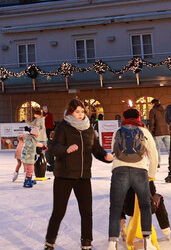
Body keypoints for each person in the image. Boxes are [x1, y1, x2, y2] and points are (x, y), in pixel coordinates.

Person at [43, 98, 114, 250]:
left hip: (83, 176)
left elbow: (95, 148)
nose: (81, 114)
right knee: (59, 211)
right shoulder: (63, 127)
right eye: (77, 112)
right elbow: (53, 148)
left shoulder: (89, 128)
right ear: (70, 112)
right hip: (64, 176)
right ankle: (50, 242)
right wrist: (66, 149)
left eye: (82, 111)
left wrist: (105, 156)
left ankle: (86, 242)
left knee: (87, 211)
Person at [107, 108, 158, 250]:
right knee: (145, 206)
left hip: (119, 170)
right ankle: (147, 241)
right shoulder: (145, 131)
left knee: (116, 207)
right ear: (139, 117)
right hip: (140, 170)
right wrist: (151, 174)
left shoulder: (118, 131)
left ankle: (112, 242)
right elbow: (153, 155)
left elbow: (113, 150)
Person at [146, 98, 170, 168]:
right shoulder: (166, 110)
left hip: (158, 132)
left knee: (157, 149)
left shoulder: (153, 111)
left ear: (153, 104)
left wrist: (150, 132)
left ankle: (158, 163)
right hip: (167, 131)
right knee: (170, 149)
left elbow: (151, 122)